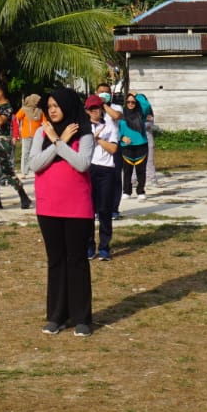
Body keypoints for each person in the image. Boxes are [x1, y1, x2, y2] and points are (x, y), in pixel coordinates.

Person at [28, 87, 96, 336]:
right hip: (48, 207)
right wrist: (58, 142)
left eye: (57, 105)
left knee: (76, 261)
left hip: (77, 207)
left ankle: (82, 318)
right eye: (50, 106)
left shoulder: (83, 132)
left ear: (68, 105)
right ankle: (56, 316)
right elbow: (34, 164)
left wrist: (59, 141)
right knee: (55, 261)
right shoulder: (40, 133)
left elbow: (82, 163)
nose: (52, 110)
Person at [0, 85, 30, 210]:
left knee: (7, 171)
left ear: (0, 93)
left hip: (4, 142)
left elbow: (0, 121)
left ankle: (24, 197)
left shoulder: (7, 107)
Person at [85, 94, 119, 260]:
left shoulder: (110, 126)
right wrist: (92, 137)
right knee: (88, 210)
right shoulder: (83, 128)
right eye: (91, 109)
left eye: (96, 108)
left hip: (106, 170)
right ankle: (89, 246)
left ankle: (104, 246)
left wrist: (97, 139)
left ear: (101, 109)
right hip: (88, 169)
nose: (94, 112)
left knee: (105, 210)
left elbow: (113, 149)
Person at [117, 93, 151, 200]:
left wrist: (138, 96)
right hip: (126, 146)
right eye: (128, 102)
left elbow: (146, 105)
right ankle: (127, 191)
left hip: (141, 145)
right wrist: (122, 138)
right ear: (125, 103)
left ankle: (141, 191)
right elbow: (115, 130)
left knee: (141, 170)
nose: (131, 104)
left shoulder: (141, 114)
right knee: (127, 171)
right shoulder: (121, 115)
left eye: (133, 102)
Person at [16, 93, 45, 176]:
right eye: (37, 101)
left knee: (37, 153)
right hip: (26, 135)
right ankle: (24, 172)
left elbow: (45, 122)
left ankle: (36, 169)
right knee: (25, 154)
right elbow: (16, 119)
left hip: (38, 137)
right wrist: (18, 131)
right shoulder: (24, 110)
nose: (38, 102)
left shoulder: (40, 111)